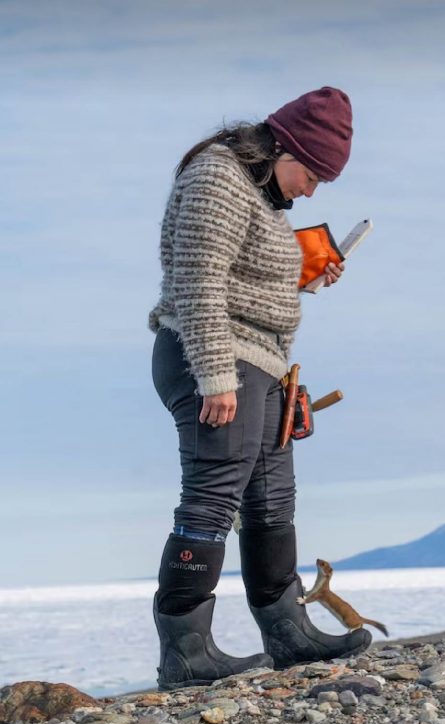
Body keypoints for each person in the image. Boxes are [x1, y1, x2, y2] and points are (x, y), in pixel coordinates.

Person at [148, 87, 370, 690]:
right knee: (213, 494)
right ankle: (186, 652)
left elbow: (245, 281)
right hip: (213, 356)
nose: (311, 191)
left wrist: (303, 273)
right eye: (312, 175)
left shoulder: (264, 200)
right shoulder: (217, 177)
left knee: (273, 499)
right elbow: (197, 280)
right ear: (284, 149)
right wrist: (216, 375)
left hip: (264, 364)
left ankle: (288, 632)